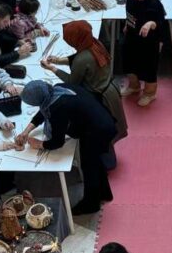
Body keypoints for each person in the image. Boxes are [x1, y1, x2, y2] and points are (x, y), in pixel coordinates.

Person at [17, 81, 117, 215]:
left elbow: (57, 142)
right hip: (102, 119)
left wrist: (39, 144)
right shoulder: (57, 89)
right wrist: (26, 131)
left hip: (97, 131)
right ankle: (104, 193)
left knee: (89, 166)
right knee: (96, 163)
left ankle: (91, 204)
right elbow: (43, 112)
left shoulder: (57, 107)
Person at [41, 20, 128, 169]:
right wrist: (58, 60)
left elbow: (72, 83)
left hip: (100, 97)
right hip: (111, 90)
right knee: (107, 127)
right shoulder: (94, 43)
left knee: (100, 130)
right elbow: (79, 60)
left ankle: (105, 163)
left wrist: (53, 69)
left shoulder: (82, 59)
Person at [120, 0, 166, 107]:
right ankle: (134, 86)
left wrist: (150, 23)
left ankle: (150, 93)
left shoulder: (154, 4)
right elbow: (130, 12)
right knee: (129, 62)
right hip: (132, 36)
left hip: (148, 42)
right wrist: (127, 25)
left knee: (148, 67)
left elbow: (161, 23)